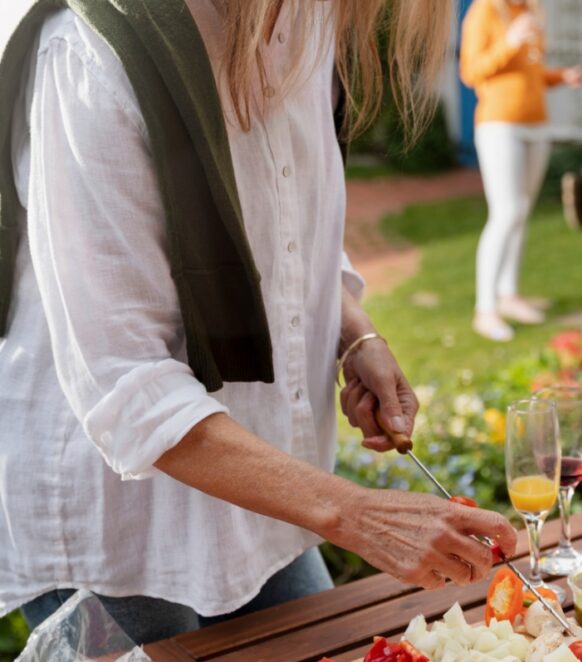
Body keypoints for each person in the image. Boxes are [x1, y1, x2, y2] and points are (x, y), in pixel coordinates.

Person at [0, 0, 516, 645]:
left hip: (264, 486)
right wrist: (356, 513)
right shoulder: (88, 49)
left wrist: (353, 330)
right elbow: (123, 380)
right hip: (120, 522)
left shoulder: (310, 21)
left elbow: (283, 226)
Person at [460, 0, 582, 342]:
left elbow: (530, 74)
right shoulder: (485, 11)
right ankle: (485, 309)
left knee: (521, 212)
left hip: (537, 126)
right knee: (506, 212)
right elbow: (472, 72)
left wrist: (562, 76)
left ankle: (509, 295)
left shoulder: (528, 11)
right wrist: (510, 42)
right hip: (500, 125)